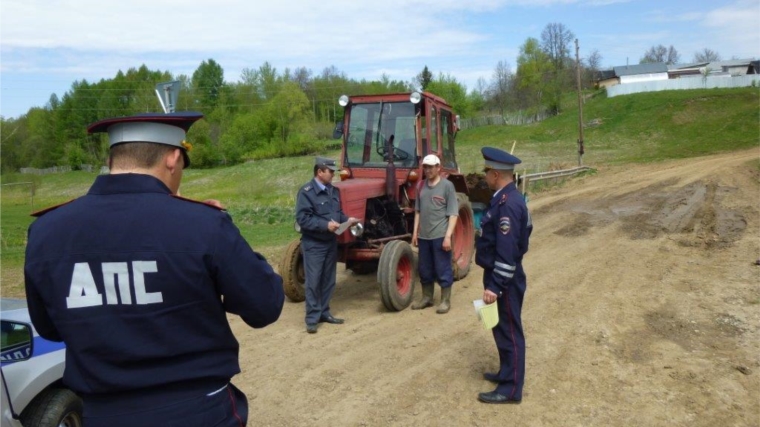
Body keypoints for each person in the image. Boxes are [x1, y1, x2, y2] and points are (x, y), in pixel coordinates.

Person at [24, 112, 285, 427]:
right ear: (174, 158)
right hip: (198, 412)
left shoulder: (46, 231)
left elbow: (50, 327)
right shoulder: (204, 224)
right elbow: (264, 305)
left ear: (112, 159)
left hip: (104, 414)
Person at [475, 146, 533, 404]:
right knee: (500, 329)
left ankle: (510, 389)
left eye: (487, 171)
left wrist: (496, 285)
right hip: (501, 276)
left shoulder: (507, 204)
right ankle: (506, 373)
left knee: (510, 332)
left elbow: (508, 251)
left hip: (505, 279)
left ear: (495, 174)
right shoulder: (508, 198)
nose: (485, 176)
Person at [295, 157, 358, 334]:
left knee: (328, 280)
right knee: (313, 281)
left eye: (333, 171)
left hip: (331, 242)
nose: (332, 174)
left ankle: (324, 312)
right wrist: (325, 225)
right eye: (330, 171)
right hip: (314, 243)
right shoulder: (307, 192)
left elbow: (338, 214)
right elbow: (302, 219)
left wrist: (348, 220)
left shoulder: (333, 191)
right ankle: (312, 318)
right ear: (319, 172)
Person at [411, 154, 459, 314]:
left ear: (439, 168)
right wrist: (415, 233)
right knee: (424, 268)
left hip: (440, 235)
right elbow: (417, 211)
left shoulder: (447, 186)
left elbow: (453, 214)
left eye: (431, 167)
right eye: (425, 167)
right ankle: (427, 297)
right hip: (424, 236)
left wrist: (447, 237)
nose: (428, 170)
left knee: (442, 267)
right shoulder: (420, 186)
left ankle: (445, 300)